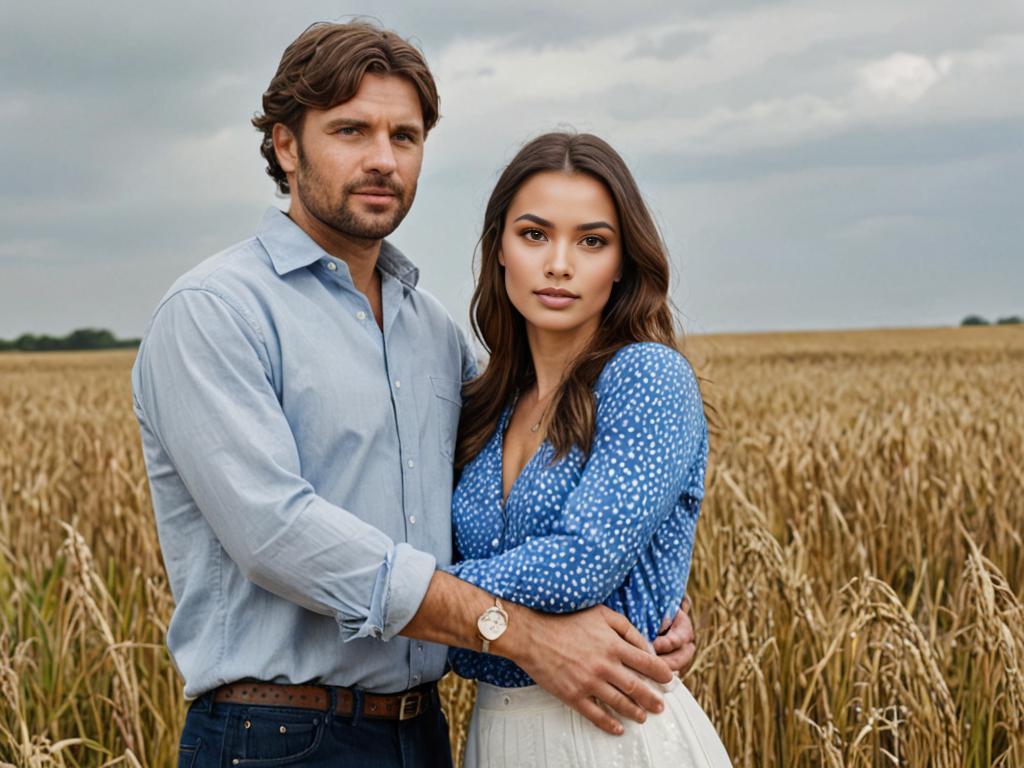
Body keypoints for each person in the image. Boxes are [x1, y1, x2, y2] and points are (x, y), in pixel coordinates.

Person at [131, 21, 696, 767]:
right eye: (351, 131)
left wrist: (643, 602)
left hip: (423, 731)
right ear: (285, 146)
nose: (381, 160)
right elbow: (276, 534)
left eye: (405, 135)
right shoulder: (216, 312)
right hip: (275, 733)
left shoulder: (433, 335)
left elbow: (496, 519)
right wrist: (510, 627)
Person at [446, 132, 733, 767]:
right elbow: (454, 649)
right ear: (499, 248)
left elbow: (582, 565)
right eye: (534, 234)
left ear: (623, 262)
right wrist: (451, 614)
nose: (559, 264)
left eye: (592, 241)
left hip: (616, 735)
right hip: (493, 735)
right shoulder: (484, 407)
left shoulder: (646, 378)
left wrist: (413, 594)